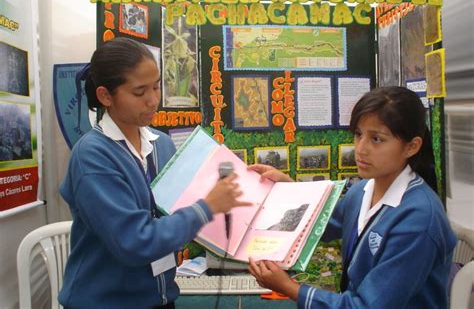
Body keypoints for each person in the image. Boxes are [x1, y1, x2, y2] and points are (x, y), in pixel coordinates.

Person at [59, 37, 251, 308]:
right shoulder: (92, 156)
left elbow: (179, 206)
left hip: (159, 299)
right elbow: (135, 242)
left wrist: (241, 184)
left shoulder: (161, 144)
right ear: (105, 96)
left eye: (157, 86)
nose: (153, 100)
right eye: (139, 92)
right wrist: (207, 206)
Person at [248, 86, 456, 308]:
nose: (361, 149)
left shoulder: (419, 221)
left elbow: (367, 306)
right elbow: (323, 224)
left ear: (411, 147)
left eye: (376, 139)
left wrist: (289, 288)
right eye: (358, 134)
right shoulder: (363, 191)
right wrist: (287, 187)